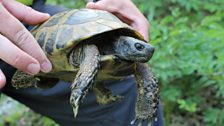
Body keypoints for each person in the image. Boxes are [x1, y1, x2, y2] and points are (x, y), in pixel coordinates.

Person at [0, 0, 164, 125]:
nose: (147, 51)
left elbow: (146, 79)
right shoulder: (90, 51)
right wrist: (83, 82)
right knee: (90, 53)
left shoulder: (128, 56)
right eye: (139, 47)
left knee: (129, 89)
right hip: (33, 24)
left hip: (27, 10)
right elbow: (89, 50)